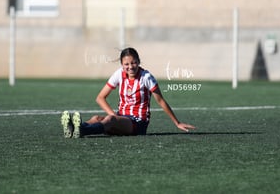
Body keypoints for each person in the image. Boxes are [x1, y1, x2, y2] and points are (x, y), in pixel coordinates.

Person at [61, 47, 195, 138]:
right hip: (121, 117)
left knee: (110, 119)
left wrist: (177, 122)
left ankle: (82, 131)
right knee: (97, 118)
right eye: (126, 64)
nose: (130, 67)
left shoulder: (146, 77)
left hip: (138, 123)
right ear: (122, 65)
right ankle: (73, 128)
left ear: (138, 62)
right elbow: (100, 97)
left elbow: (160, 100)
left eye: (134, 63)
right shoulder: (119, 74)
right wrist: (114, 115)